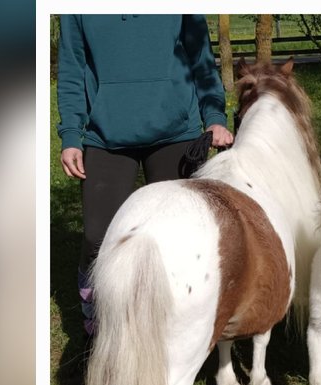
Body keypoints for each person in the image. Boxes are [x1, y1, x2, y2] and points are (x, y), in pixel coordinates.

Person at [57, 14, 234, 337]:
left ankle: (181, 324)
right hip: (106, 136)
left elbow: (201, 58)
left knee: (182, 238)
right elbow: (71, 67)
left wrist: (214, 116)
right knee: (98, 237)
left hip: (176, 131)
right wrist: (71, 134)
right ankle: (97, 318)